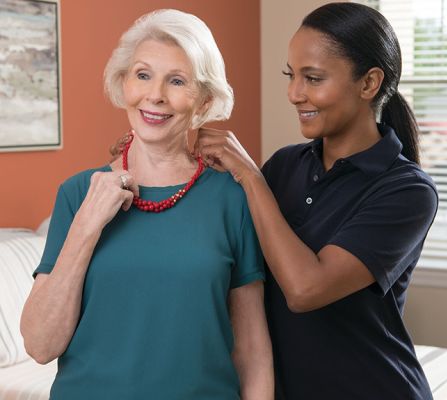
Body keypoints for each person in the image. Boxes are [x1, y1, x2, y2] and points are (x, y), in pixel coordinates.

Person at [20, 9, 273, 400]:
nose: (155, 94)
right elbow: (40, 345)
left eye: (176, 81)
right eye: (143, 75)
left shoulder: (230, 198)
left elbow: (252, 350)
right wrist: (88, 223)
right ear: (123, 84)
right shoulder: (77, 194)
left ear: (203, 101)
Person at [193, 3, 438, 399]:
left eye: (313, 78)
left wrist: (252, 178)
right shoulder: (287, 165)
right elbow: (222, 243)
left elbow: (306, 289)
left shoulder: (408, 191)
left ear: (369, 83)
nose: (294, 94)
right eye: (291, 76)